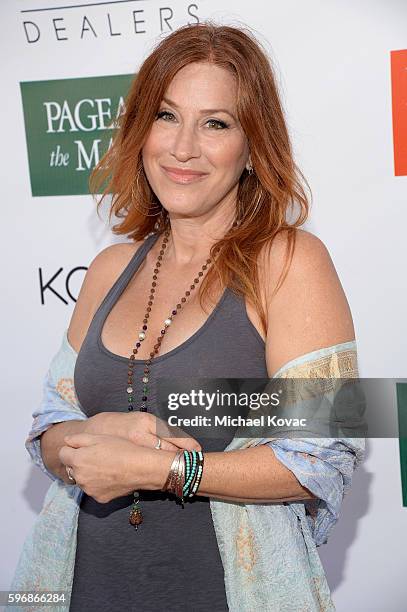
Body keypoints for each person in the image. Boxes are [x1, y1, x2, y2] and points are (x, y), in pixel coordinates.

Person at [13, 22, 365, 612]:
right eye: (167, 116)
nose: (182, 148)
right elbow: (49, 429)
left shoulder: (288, 262)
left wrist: (165, 469)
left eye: (216, 123)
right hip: (80, 587)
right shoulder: (109, 268)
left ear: (253, 146)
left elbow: (320, 456)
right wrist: (83, 438)